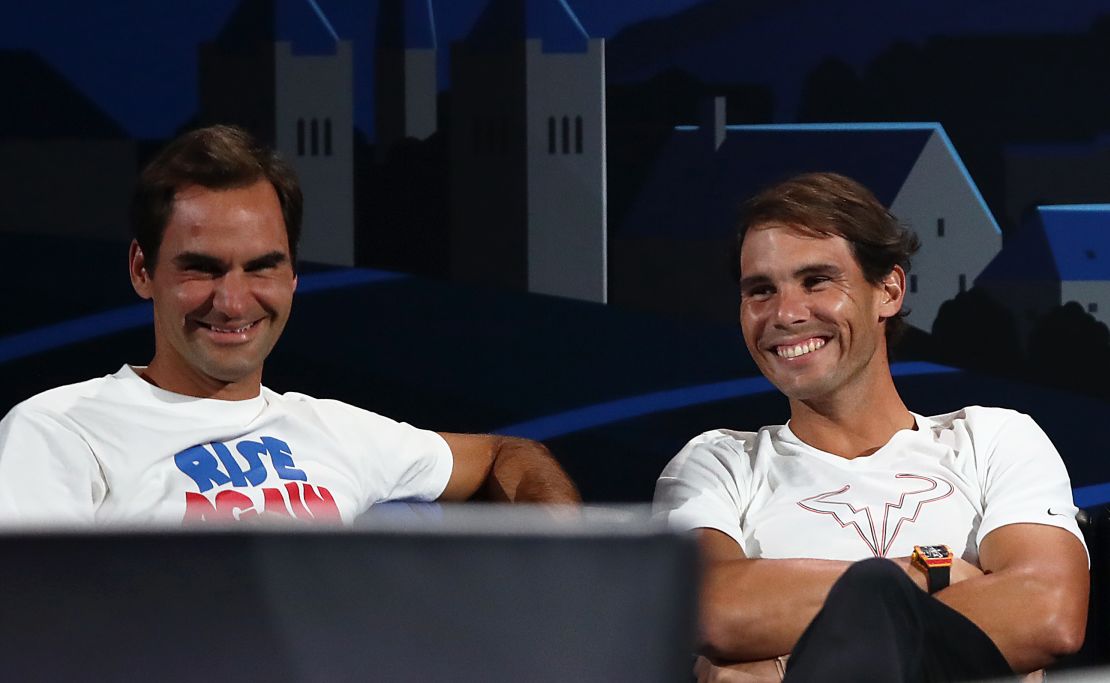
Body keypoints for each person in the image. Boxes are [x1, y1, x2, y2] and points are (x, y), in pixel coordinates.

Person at [0, 125, 579, 524]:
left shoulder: (336, 431)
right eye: (201, 269)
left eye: (261, 267)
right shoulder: (60, 432)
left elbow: (511, 454)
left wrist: (572, 569)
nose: (232, 302)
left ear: (293, 276)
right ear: (142, 269)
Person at [653, 172, 1088, 681]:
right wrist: (930, 573)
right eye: (761, 290)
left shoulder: (994, 440)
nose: (786, 313)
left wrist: (784, 661)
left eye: (816, 280)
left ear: (889, 289)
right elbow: (710, 610)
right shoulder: (716, 464)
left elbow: (1047, 613)